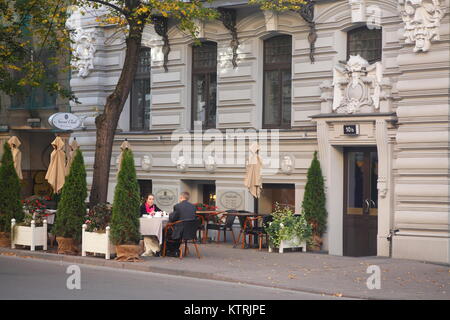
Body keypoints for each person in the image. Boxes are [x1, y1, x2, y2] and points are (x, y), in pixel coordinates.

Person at [165, 191, 197, 257]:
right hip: (191, 232)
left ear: (181, 197)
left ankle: (172, 251)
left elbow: (172, 218)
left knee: (166, 230)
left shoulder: (177, 206)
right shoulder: (193, 207)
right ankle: (175, 250)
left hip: (180, 232)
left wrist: (170, 214)